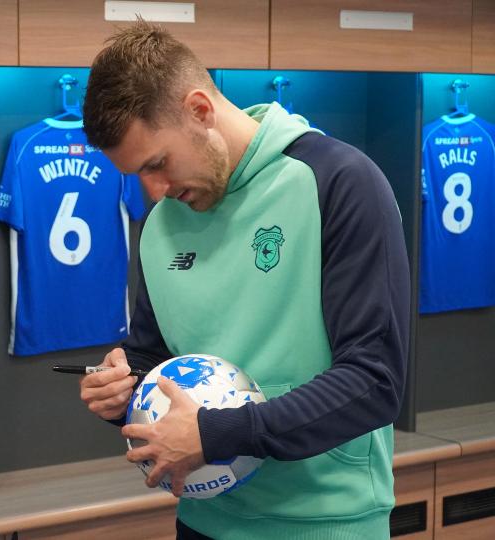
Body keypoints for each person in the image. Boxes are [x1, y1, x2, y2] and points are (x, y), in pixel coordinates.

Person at [78, 22, 410, 539]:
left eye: (159, 164)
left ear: (200, 110)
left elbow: (375, 381)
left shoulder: (339, 183)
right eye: (138, 175)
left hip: (324, 523)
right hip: (201, 520)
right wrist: (121, 387)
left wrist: (216, 434)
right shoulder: (160, 225)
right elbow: (152, 356)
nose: (155, 191)